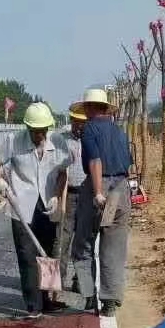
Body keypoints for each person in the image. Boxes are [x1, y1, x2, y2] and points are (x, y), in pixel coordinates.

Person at [0, 102, 68, 319]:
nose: (39, 135)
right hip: (21, 205)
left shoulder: (57, 142)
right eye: (35, 131)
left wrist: (56, 197)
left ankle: (47, 300)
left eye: (43, 131)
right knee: (27, 255)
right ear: (28, 128)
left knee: (47, 253)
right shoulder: (14, 141)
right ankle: (33, 306)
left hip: (47, 204)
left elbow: (62, 172)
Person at [70, 87, 135, 318]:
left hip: (100, 188)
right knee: (113, 247)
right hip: (121, 189)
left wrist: (98, 192)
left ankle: (88, 294)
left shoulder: (89, 129)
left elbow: (95, 161)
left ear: (88, 108)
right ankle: (110, 300)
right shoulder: (120, 132)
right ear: (106, 108)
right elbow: (128, 164)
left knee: (83, 243)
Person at [56, 101, 98, 312]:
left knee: (84, 244)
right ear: (71, 121)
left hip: (88, 195)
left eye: (83, 123)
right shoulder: (62, 142)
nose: (80, 127)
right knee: (63, 240)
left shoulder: (92, 140)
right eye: (76, 122)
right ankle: (58, 284)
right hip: (69, 195)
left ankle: (81, 282)